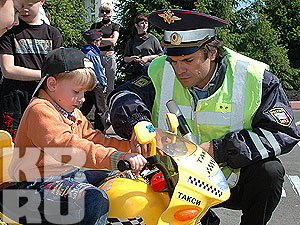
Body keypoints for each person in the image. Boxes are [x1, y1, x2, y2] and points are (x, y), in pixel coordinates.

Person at [108, 9, 300, 225]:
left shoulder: (255, 77)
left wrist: (218, 150)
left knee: (270, 172)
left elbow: (282, 131)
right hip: (175, 181)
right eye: (173, 61)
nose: (179, 70)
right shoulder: (159, 69)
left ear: (212, 53)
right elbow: (122, 95)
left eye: (188, 60)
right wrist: (138, 122)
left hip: (230, 181)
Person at [8, 47, 147, 224]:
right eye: (76, 92)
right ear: (52, 84)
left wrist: (133, 147)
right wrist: (116, 157)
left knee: (120, 177)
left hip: (66, 177)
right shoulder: (40, 110)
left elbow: (96, 139)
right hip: (34, 186)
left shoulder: (72, 113)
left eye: (84, 93)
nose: (82, 98)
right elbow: (69, 147)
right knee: (93, 198)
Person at [0, 0, 63, 141]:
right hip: (13, 97)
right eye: (19, 7)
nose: (24, 10)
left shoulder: (53, 34)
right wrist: (44, 75)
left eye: (28, 4)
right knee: (11, 142)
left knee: (42, 141)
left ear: (41, 2)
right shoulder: (8, 31)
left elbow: (59, 70)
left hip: (42, 96)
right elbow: (8, 69)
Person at [81, 29, 109, 132]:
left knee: (87, 106)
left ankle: (75, 122)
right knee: (101, 109)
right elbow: (98, 70)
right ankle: (100, 131)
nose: (100, 44)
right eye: (99, 42)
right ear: (94, 42)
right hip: (96, 84)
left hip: (87, 83)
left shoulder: (84, 51)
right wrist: (104, 83)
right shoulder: (93, 54)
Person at [90, 2, 119, 95]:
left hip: (109, 55)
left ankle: (110, 104)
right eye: (103, 11)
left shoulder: (115, 26)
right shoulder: (95, 26)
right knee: (96, 81)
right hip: (97, 56)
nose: (105, 14)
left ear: (111, 12)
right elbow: (92, 42)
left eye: (107, 11)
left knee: (110, 83)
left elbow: (113, 41)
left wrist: (100, 40)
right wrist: (107, 40)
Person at [124, 14, 163, 81]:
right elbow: (125, 58)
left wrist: (148, 58)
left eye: (146, 23)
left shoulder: (152, 39)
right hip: (135, 73)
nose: (145, 25)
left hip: (150, 71)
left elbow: (161, 55)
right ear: (136, 25)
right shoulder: (132, 40)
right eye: (142, 23)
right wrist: (132, 58)